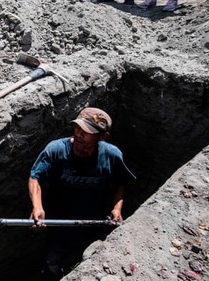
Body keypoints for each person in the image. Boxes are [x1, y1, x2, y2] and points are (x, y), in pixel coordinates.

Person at [29, 107, 135, 281]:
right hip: (59, 222)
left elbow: (120, 182)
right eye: (77, 128)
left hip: (94, 223)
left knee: (91, 261)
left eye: (85, 132)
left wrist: (117, 208)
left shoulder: (111, 155)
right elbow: (35, 177)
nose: (78, 134)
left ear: (102, 137)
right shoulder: (56, 150)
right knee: (52, 262)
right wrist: (37, 206)